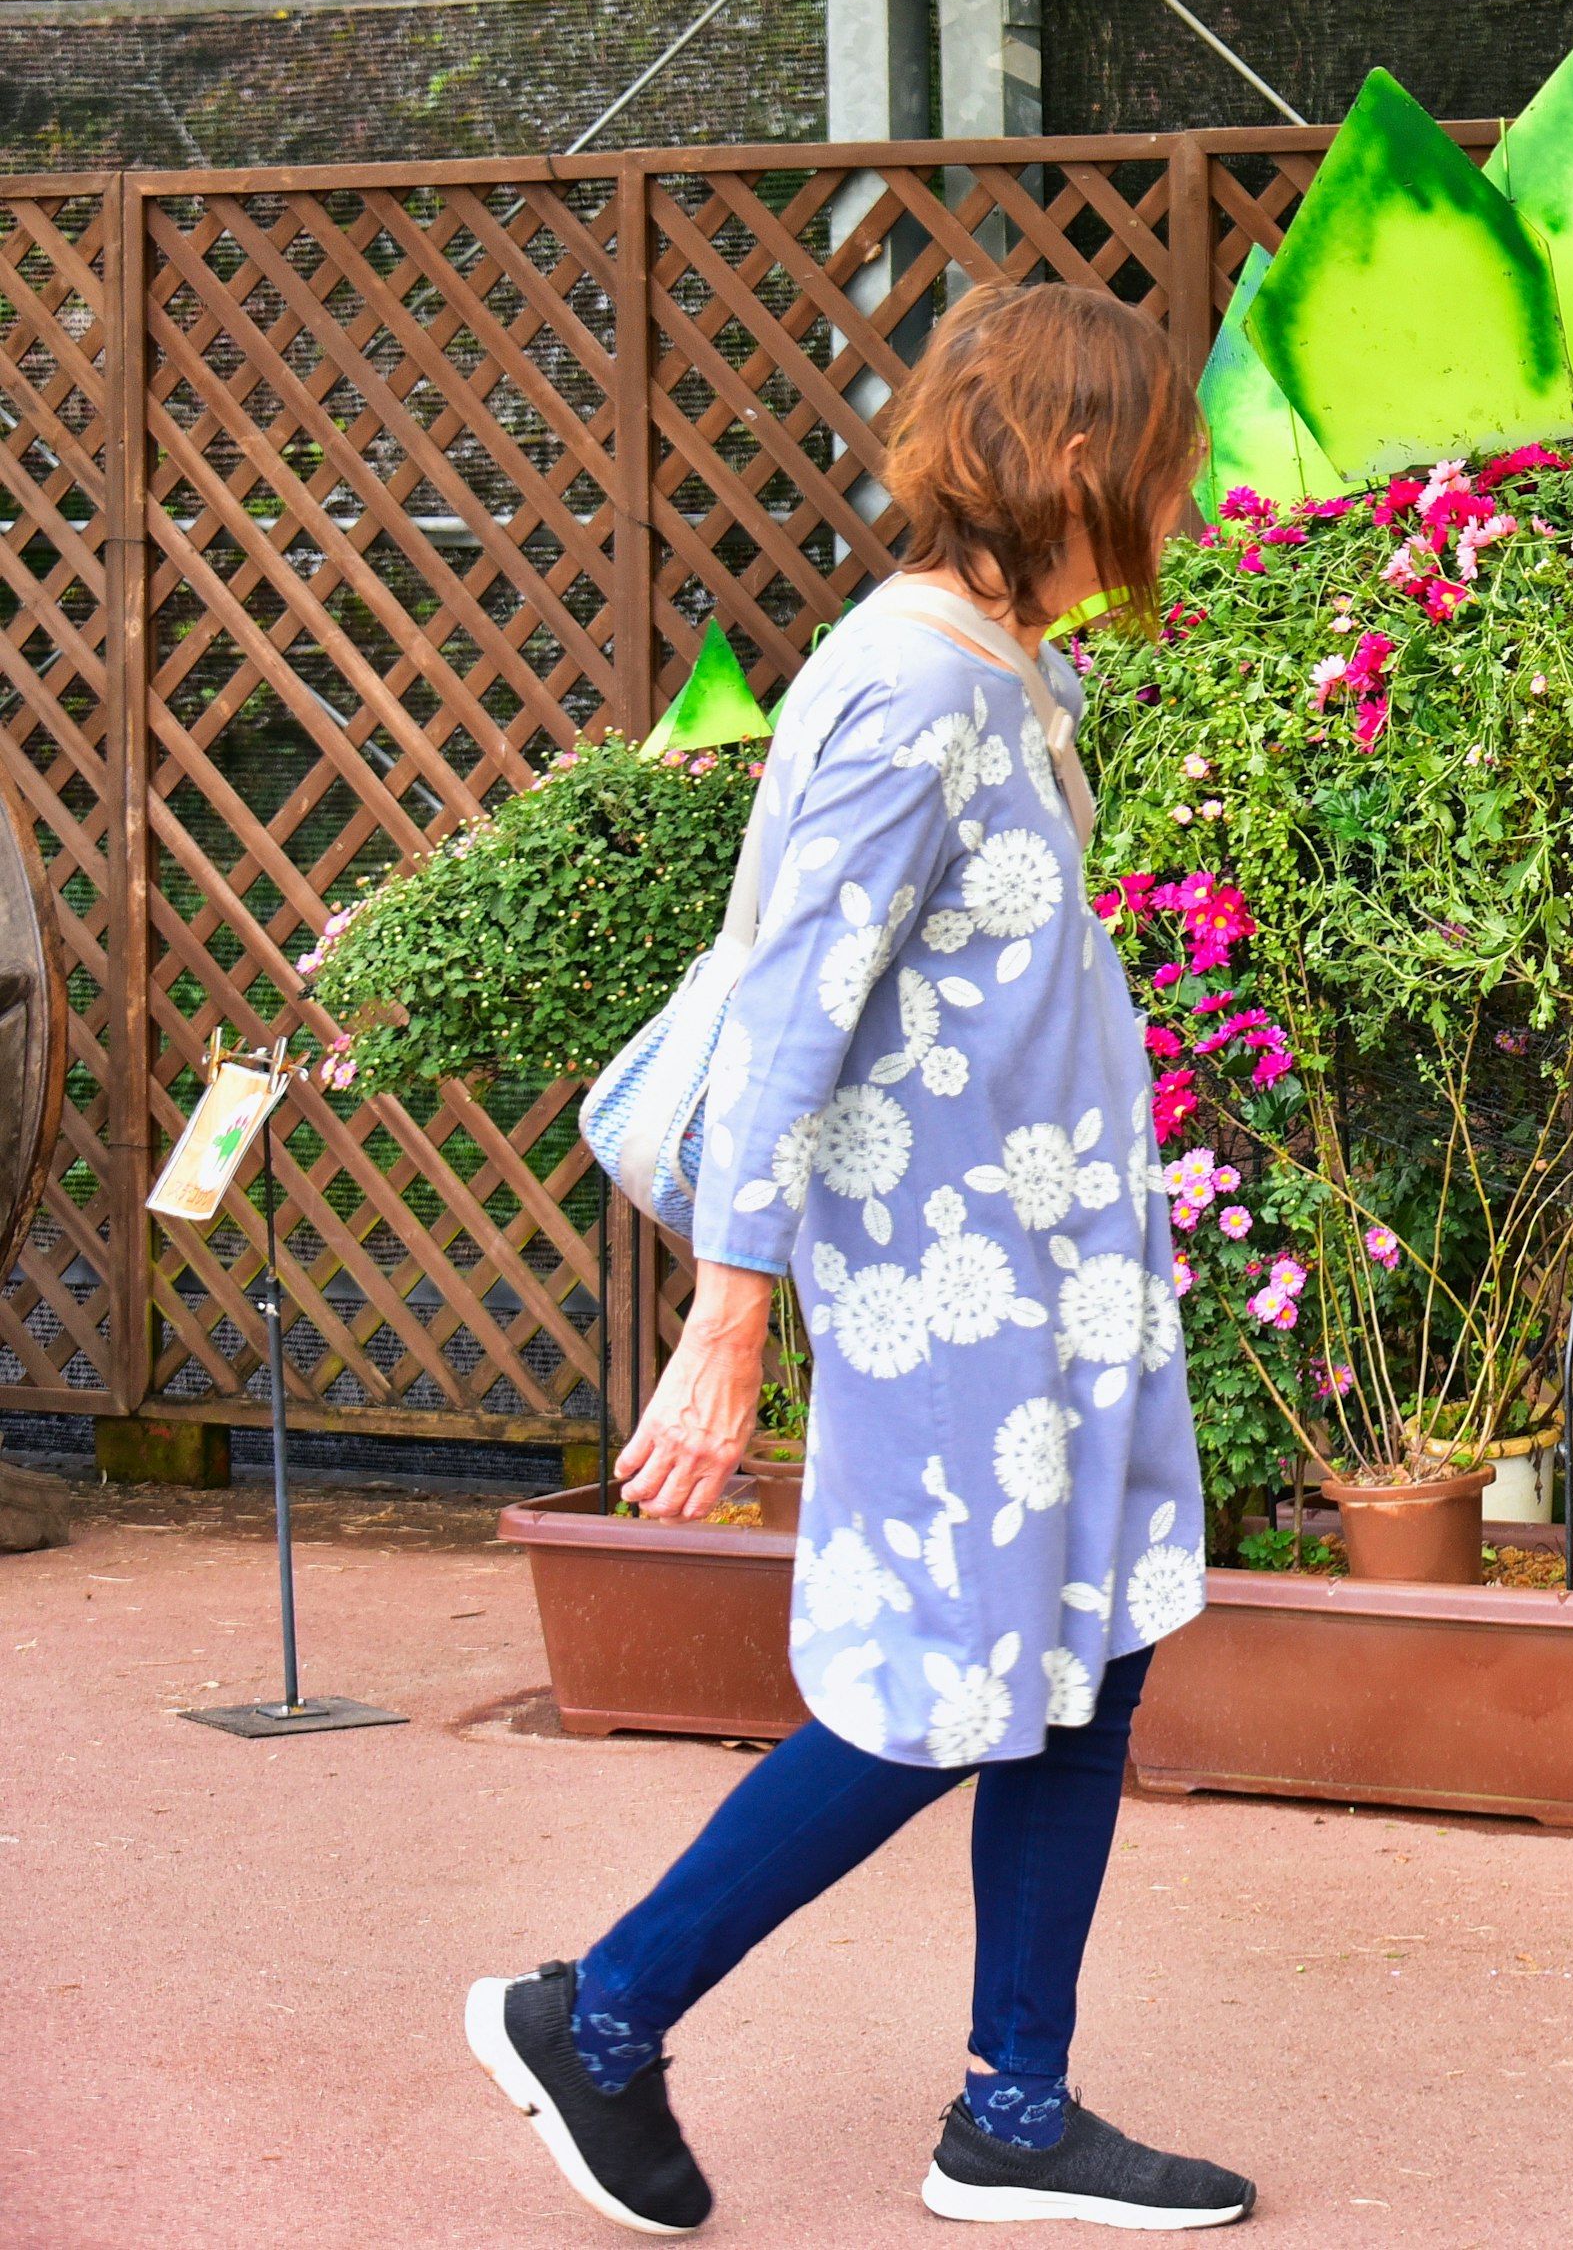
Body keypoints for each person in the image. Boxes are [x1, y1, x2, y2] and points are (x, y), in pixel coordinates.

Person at [464, 281, 1254, 2234]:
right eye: (1160, 457)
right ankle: (603, 2015)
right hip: (950, 1293)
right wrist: (727, 1319)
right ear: (1075, 464)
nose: (1183, 489)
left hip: (1057, 1282)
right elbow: (802, 1002)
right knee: (942, 1686)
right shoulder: (908, 684)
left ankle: (1015, 2108)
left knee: (1082, 1663)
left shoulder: (1014, 671)